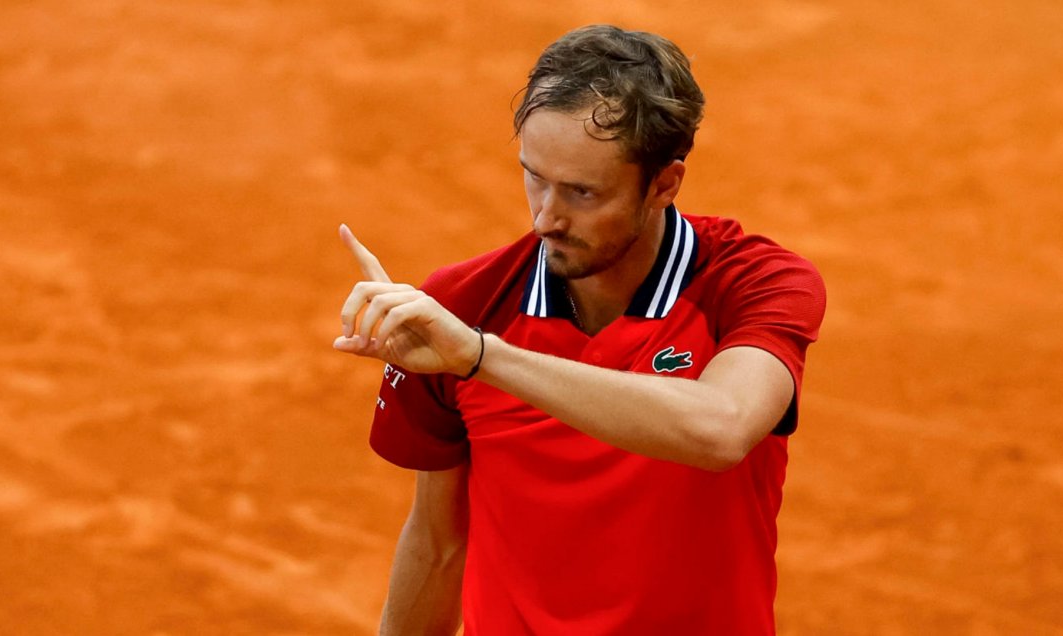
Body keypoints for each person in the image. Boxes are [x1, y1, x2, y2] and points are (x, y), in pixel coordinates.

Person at [334, 24, 826, 636]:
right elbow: (438, 546)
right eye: (534, 176)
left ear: (664, 184)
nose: (546, 216)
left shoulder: (753, 283)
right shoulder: (465, 304)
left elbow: (722, 427)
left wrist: (481, 357)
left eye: (582, 192)